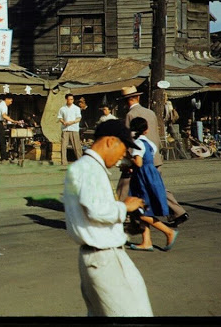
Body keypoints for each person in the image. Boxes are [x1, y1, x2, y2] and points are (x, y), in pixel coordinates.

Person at [63, 119, 153, 317]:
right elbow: (97, 211)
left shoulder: (84, 167)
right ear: (110, 141)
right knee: (134, 314)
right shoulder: (88, 169)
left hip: (96, 257)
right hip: (104, 258)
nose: (124, 155)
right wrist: (124, 207)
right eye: (124, 147)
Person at [115, 86, 189, 228]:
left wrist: (128, 160)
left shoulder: (130, 115)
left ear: (127, 101)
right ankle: (178, 212)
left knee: (124, 187)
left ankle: (120, 216)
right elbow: (155, 134)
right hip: (154, 156)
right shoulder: (150, 113)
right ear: (138, 98)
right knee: (157, 186)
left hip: (139, 159)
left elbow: (130, 140)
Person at [127, 117, 179, 251]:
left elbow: (138, 162)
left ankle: (168, 232)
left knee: (141, 211)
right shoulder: (149, 143)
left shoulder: (137, 143)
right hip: (151, 175)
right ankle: (146, 241)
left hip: (143, 179)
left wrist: (128, 160)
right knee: (143, 210)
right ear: (145, 130)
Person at [0, 95, 22, 164]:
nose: (11, 103)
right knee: (2, 141)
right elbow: (4, 115)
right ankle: (4, 158)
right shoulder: (4, 106)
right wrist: (14, 121)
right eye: (11, 101)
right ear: (7, 99)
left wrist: (3, 122)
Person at [57, 93, 83, 165]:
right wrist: (63, 122)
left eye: (72, 99)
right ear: (66, 100)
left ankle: (80, 160)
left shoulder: (76, 108)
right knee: (63, 146)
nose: (71, 101)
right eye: (69, 99)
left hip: (74, 128)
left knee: (76, 146)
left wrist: (73, 122)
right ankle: (64, 162)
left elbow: (79, 118)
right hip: (65, 129)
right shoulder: (62, 108)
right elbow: (60, 117)